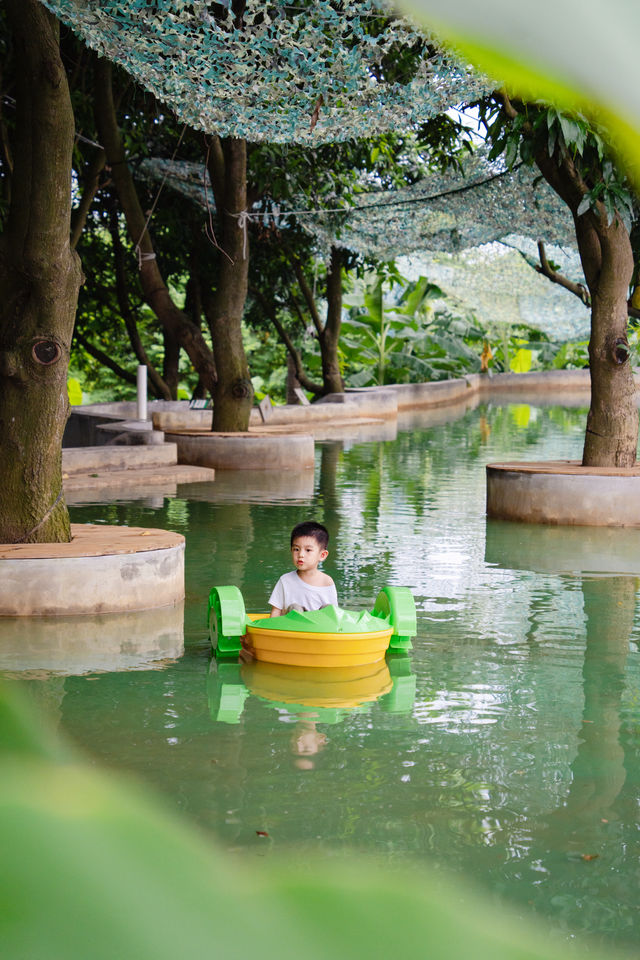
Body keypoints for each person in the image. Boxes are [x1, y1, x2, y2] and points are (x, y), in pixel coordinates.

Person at [269, 520, 337, 616]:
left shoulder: (327, 582)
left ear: (322, 555)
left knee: (328, 608)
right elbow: (276, 612)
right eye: (296, 549)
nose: (301, 555)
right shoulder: (285, 580)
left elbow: (335, 615)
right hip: (292, 627)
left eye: (308, 550)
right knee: (295, 608)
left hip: (319, 628)